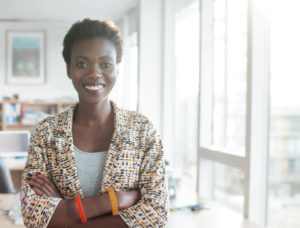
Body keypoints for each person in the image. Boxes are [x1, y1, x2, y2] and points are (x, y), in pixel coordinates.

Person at [20, 18, 169, 228]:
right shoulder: (46, 133)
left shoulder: (143, 132)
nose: (94, 74)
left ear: (117, 68)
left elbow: (156, 215)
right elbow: (33, 214)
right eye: (82, 64)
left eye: (106, 64)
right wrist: (113, 201)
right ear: (69, 69)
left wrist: (64, 208)